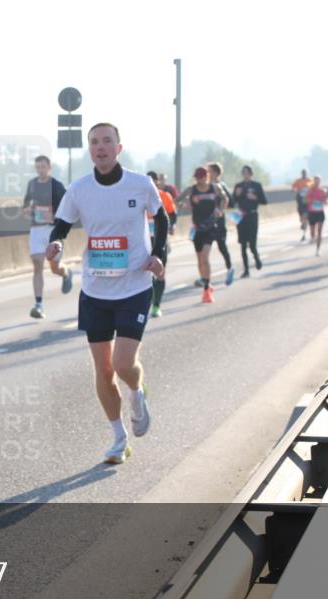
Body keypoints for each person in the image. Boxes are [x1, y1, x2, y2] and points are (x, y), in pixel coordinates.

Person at [45, 123, 167, 464]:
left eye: (107, 141)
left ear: (119, 147)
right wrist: (56, 241)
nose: (101, 147)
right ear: (90, 150)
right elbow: (63, 223)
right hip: (96, 289)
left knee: (123, 363)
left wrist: (158, 253)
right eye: (95, 142)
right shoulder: (80, 189)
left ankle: (137, 391)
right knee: (102, 370)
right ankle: (118, 438)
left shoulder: (140, 184)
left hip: (134, 286)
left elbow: (162, 219)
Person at [22, 155, 72, 318]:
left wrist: (54, 216)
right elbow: (25, 206)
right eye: (38, 167)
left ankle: (66, 273)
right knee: (37, 264)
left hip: (53, 231)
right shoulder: (32, 185)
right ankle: (38, 304)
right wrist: (27, 211)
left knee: (54, 267)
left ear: (50, 168)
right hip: (36, 230)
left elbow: (68, 208)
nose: (40, 170)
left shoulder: (57, 186)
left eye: (43, 167)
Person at [175, 166, 227, 303]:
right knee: (199, 260)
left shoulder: (214, 188)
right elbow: (176, 200)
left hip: (210, 227)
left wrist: (219, 210)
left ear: (207, 176)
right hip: (197, 228)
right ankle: (206, 283)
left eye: (202, 177)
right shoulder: (191, 190)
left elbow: (225, 199)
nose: (200, 180)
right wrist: (185, 205)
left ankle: (206, 288)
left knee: (205, 257)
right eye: (197, 177)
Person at [146, 170, 176, 317]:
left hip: (159, 241)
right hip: (143, 242)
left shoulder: (164, 196)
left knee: (160, 273)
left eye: (153, 181)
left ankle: (156, 305)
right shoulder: (139, 195)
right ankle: (148, 302)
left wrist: (171, 226)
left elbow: (172, 215)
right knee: (145, 275)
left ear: (157, 182)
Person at [230, 165, 268, 275]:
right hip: (241, 216)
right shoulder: (238, 186)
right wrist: (236, 195)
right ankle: (246, 270)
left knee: (252, 244)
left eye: (247, 173)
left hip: (252, 215)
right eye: (243, 173)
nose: (245, 175)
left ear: (251, 174)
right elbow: (232, 202)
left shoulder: (256, 185)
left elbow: (264, 201)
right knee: (242, 244)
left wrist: (255, 198)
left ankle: (256, 257)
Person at [207, 162, 236, 285]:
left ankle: (230, 268)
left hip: (218, 222)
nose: (207, 173)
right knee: (204, 249)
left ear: (215, 173)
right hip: (206, 222)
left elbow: (231, 201)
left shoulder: (221, 186)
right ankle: (205, 277)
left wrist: (220, 209)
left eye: (209, 171)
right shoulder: (205, 186)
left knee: (221, 246)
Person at [305, 176, 328, 256]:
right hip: (312, 212)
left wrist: (322, 201)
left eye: (318, 181)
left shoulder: (322, 191)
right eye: (315, 181)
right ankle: (312, 238)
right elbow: (305, 200)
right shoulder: (310, 190)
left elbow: (326, 202)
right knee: (312, 233)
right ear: (313, 181)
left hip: (320, 212)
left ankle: (318, 250)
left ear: (320, 182)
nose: (317, 182)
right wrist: (311, 200)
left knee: (320, 231)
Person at [291, 168, 311, 242]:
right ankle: (303, 223)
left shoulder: (309, 181)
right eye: (302, 173)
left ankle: (304, 233)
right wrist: (295, 191)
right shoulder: (298, 181)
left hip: (307, 201)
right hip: (300, 201)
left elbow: (313, 188)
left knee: (305, 215)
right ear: (301, 174)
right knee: (301, 215)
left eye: (305, 173)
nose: (304, 174)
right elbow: (293, 188)